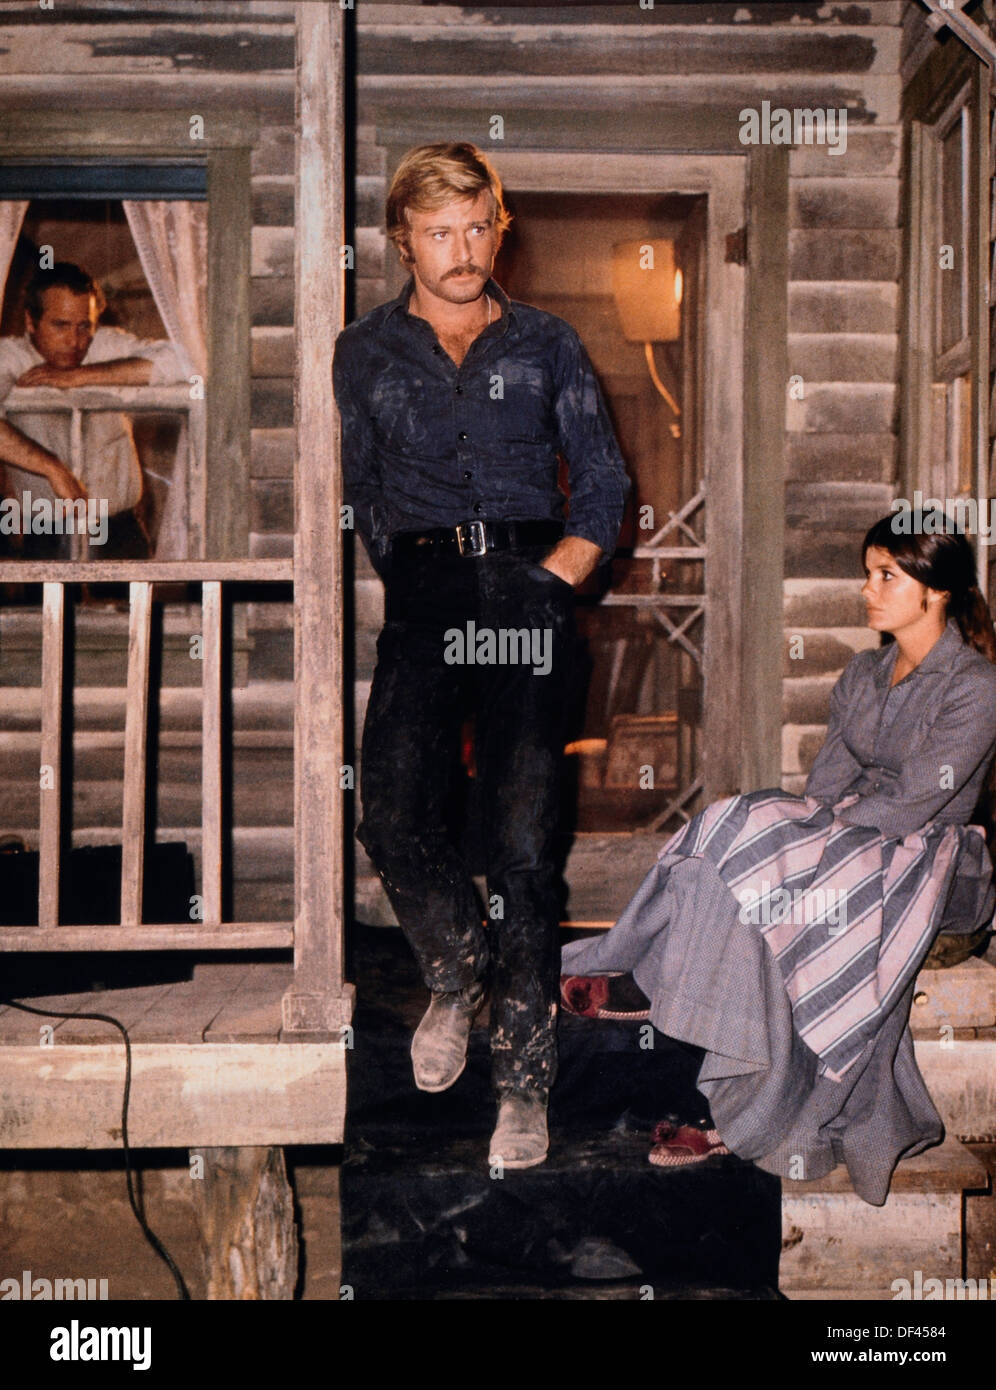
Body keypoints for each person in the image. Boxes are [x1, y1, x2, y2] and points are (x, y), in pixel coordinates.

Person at [333, 142, 630, 1168]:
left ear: (499, 227)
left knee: (522, 845)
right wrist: (407, 574)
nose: (461, 252)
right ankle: (456, 968)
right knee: (391, 812)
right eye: (438, 232)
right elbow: (363, 486)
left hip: (527, 590)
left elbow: (601, 480)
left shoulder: (548, 342)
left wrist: (554, 579)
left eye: (477, 227)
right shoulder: (363, 351)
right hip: (425, 594)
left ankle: (525, 1084)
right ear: (402, 238)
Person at [562, 513, 996, 1205]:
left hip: (935, 856)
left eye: (887, 575)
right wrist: (804, 830)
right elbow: (827, 780)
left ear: (936, 590)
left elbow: (918, 804)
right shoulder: (863, 672)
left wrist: (814, 835)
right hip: (853, 836)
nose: (867, 590)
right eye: (866, 573)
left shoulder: (973, 684)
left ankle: (712, 1055)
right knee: (740, 836)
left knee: (782, 867)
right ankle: (654, 975)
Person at [0, 261, 185, 560]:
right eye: (60, 326)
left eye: (84, 326)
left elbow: (184, 361)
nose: (75, 341)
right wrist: (51, 467)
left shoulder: (105, 346)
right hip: (46, 531)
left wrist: (81, 376)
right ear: (31, 322)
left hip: (119, 528)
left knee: (136, 608)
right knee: (50, 609)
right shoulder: (10, 357)